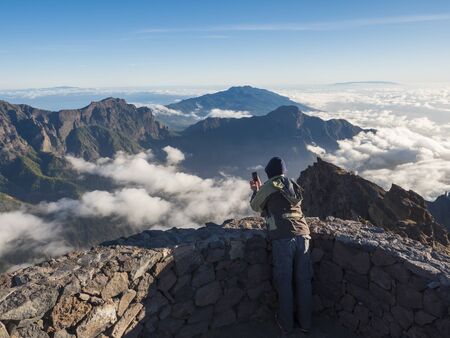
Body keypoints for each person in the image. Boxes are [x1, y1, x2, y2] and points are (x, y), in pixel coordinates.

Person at [249, 157, 312, 334]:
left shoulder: (269, 186)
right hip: (304, 235)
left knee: (284, 282)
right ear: (284, 171)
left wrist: (256, 190)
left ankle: (286, 325)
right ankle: (306, 324)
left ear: (269, 172)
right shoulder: (292, 184)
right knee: (304, 281)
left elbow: (255, 206)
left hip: (283, 237)